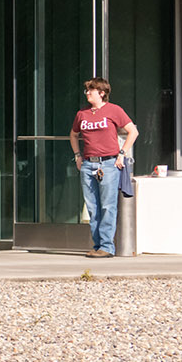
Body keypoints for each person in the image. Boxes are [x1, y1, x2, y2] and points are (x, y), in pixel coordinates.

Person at [68, 77, 137, 258]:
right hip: (88, 163)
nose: (88, 93)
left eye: (91, 90)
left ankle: (107, 246)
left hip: (109, 163)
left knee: (107, 205)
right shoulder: (82, 114)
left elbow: (133, 131)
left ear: (102, 93)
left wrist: (122, 153)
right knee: (92, 206)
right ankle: (98, 244)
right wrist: (77, 156)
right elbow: (73, 135)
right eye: (87, 90)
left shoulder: (114, 110)